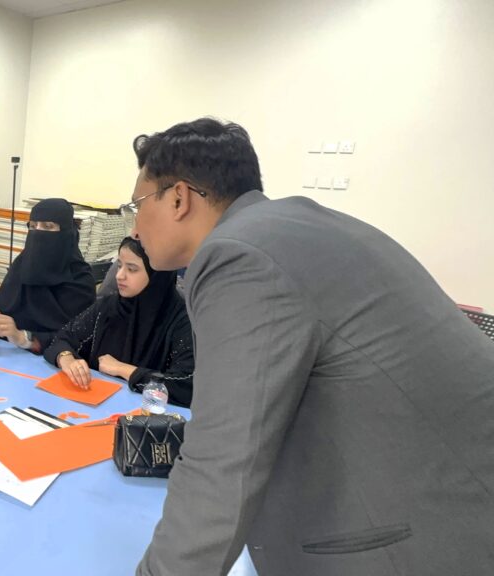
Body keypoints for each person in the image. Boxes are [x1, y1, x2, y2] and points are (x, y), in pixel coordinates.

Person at [128, 118, 494, 576]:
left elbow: (221, 469)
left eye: (136, 205)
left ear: (179, 198)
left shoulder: (237, 257)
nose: (134, 228)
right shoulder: (297, 226)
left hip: (428, 538)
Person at [43, 236, 194, 406]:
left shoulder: (181, 320)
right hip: (93, 406)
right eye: (120, 265)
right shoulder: (108, 307)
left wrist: (123, 369)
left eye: (132, 269)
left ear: (157, 274)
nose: (119, 275)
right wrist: (66, 359)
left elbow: (185, 385)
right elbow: (62, 338)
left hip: (145, 414)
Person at [0, 198, 96, 353]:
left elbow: (80, 338)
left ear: (67, 232)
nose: (38, 233)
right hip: (9, 358)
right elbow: (2, 315)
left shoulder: (81, 280)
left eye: (48, 226)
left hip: (57, 363)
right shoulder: (21, 267)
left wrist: (26, 339)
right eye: (33, 226)